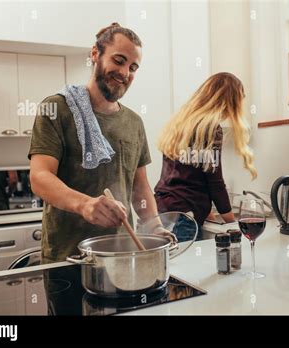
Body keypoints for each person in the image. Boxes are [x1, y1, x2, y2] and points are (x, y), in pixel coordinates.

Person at [29, 23, 166, 263]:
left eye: (133, 67)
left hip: (123, 255)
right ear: (95, 54)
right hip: (67, 257)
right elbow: (40, 178)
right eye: (119, 60)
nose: (125, 73)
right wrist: (85, 204)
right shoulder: (56, 109)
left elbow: (139, 186)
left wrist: (154, 226)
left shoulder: (134, 122)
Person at [154, 72, 257, 241]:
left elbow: (185, 174)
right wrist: (232, 224)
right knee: (187, 267)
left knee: (164, 266)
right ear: (229, 102)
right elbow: (215, 182)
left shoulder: (180, 124)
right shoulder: (210, 129)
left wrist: (205, 209)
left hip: (159, 212)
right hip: (184, 220)